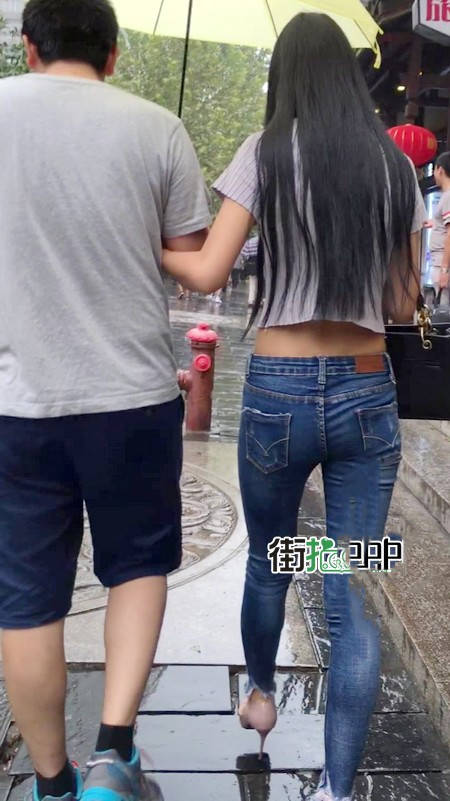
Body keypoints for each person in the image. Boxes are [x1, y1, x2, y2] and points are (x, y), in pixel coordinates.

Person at [162, 13, 426, 801]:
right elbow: (403, 301)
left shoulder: (265, 151)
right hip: (367, 392)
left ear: (285, 77)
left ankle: (261, 694)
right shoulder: (393, 165)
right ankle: (339, 790)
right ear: (349, 76)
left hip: (279, 391)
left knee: (270, 556)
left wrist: (142, 238)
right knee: (350, 588)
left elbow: (208, 270)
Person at [0, 2, 210, 801]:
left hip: (16, 401)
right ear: (114, 55)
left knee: (26, 598)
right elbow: (189, 256)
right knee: (137, 565)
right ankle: (113, 755)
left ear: (29, 47)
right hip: (132, 397)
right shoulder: (158, 128)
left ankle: (52, 783)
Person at [430, 151, 450, 304]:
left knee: (443, 309)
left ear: (440, 170)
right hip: (440, 261)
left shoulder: (448, 196)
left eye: (434, 170)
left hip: (442, 262)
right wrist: (434, 223)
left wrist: (444, 269)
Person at [241, 235, 259, 307]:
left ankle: (251, 300)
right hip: (262, 263)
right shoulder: (265, 242)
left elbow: (244, 253)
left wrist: (248, 258)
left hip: (252, 263)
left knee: (252, 282)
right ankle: (260, 299)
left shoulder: (250, 241)